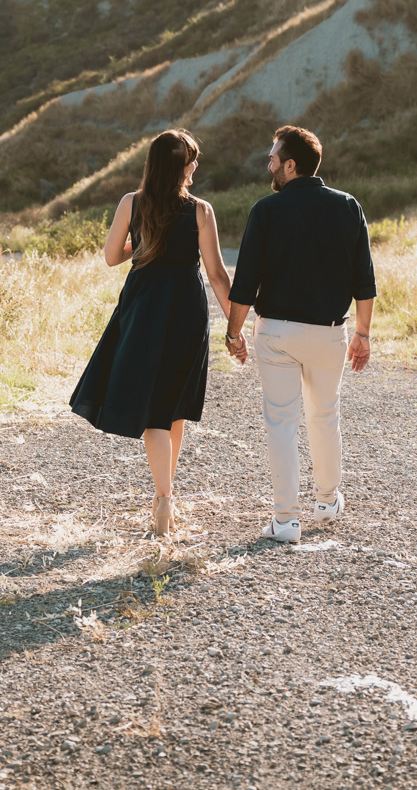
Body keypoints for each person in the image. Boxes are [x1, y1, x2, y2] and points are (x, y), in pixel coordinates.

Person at [70, 129, 234, 536]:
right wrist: (235, 328)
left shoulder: (132, 203)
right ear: (179, 166)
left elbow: (112, 257)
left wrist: (146, 245)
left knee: (157, 407)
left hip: (144, 305)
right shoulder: (201, 210)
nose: (196, 165)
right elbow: (216, 274)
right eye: (192, 159)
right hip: (186, 309)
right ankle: (165, 497)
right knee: (172, 404)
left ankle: (164, 497)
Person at [223, 125, 377, 544]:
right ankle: (326, 501)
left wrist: (234, 334)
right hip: (330, 334)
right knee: (325, 415)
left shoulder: (265, 211)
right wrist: (363, 334)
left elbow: (245, 284)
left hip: (276, 333)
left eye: (273, 159)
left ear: (290, 165)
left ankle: (286, 520)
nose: (269, 165)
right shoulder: (348, 206)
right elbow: (364, 280)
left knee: (282, 422)